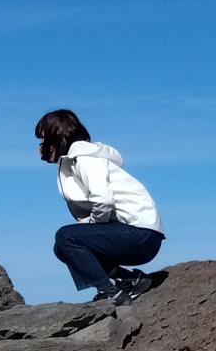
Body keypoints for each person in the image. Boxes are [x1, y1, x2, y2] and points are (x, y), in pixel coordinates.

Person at [35, 108, 164, 305]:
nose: (41, 147)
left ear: (57, 138)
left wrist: (90, 225)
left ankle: (112, 294)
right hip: (138, 235)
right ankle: (130, 280)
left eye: (43, 141)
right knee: (61, 247)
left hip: (140, 235)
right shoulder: (77, 160)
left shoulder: (86, 160)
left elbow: (103, 200)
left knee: (65, 236)